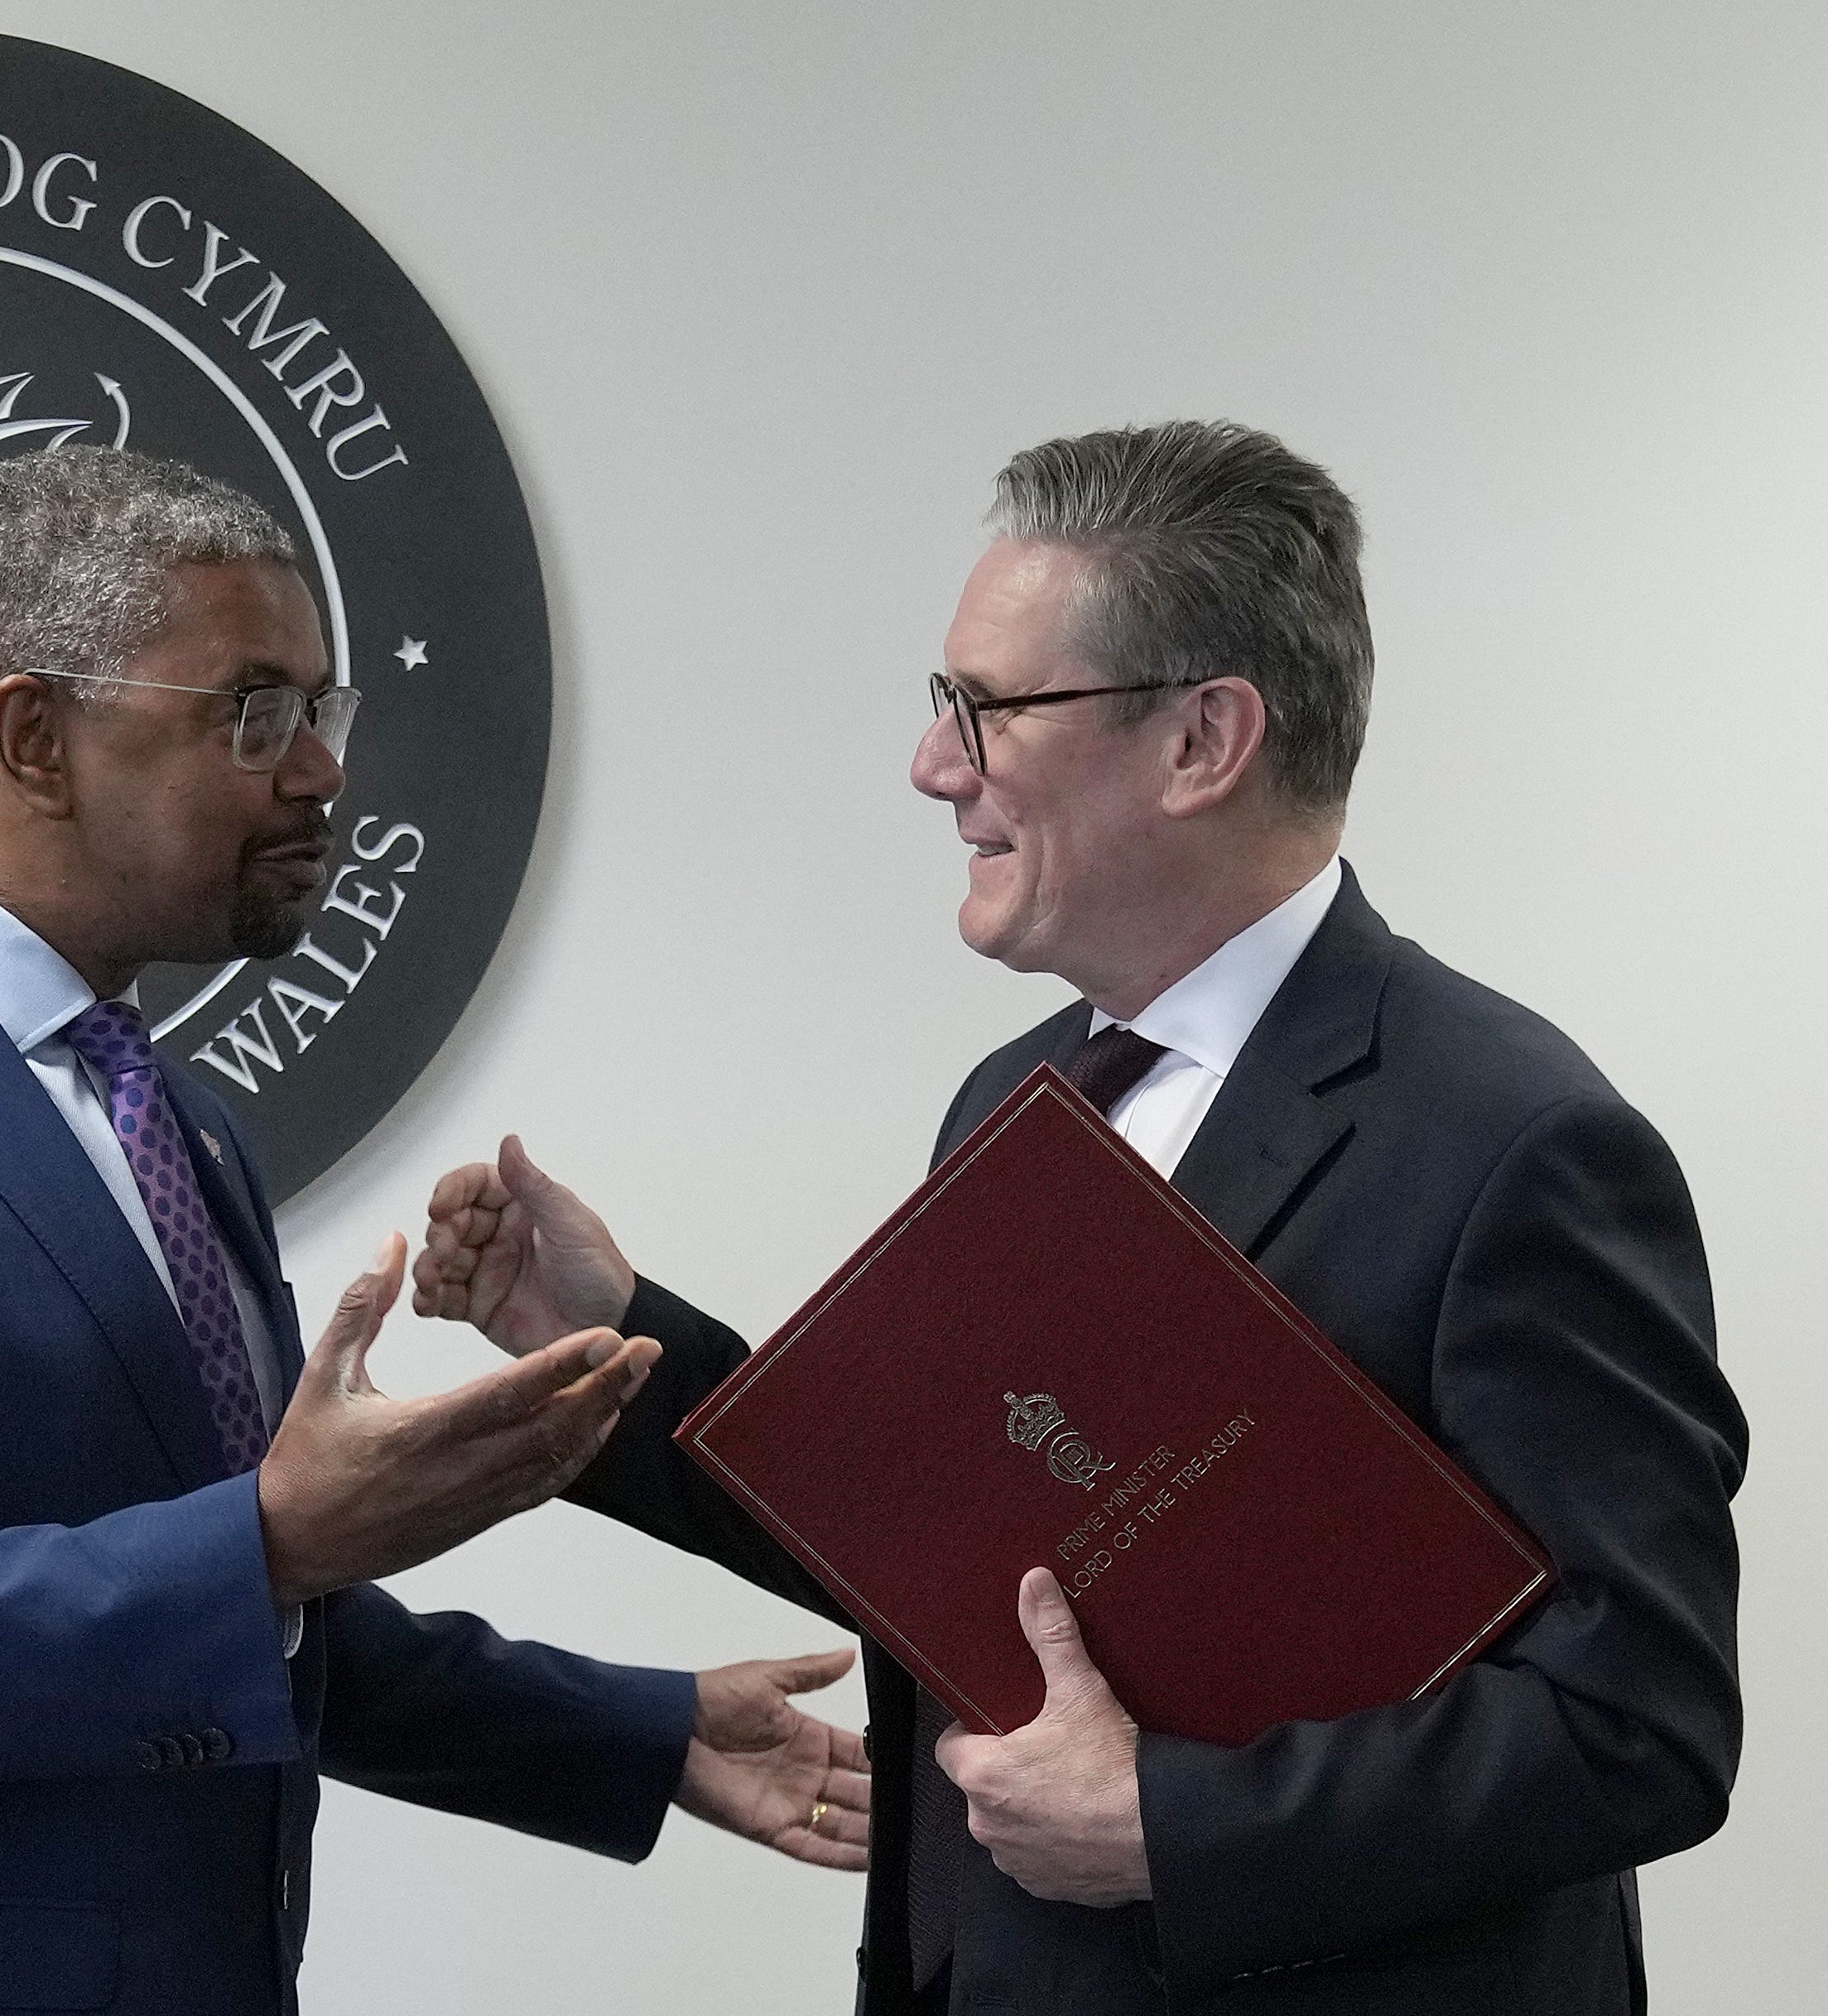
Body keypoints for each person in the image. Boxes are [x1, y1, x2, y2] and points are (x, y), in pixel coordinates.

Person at [415, 421, 1746, 2014]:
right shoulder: (1015, 1096)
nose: (933, 765)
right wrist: (611, 1338)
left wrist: (1172, 1827)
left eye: (986, 707)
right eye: (941, 705)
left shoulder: (1518, 1140)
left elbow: (1638, 1727)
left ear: (1203, 741)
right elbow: (964, 1556)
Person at [0, 445, 873, 2016]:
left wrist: (637, 1731)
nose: (319, 770)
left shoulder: (177, 1120)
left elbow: (245, 1624)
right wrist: (273, 1537)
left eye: (320, 710)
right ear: (34, 735)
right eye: (252, 711)